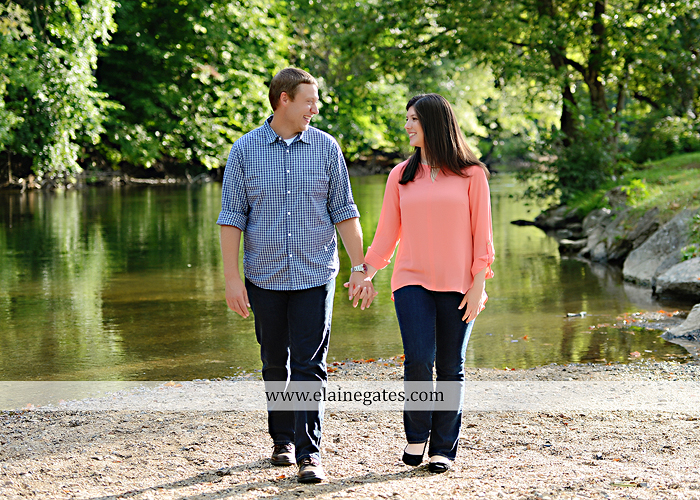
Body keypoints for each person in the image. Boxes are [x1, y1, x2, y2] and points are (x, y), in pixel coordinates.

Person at [217, 67, 375, 483]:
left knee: (310, 364)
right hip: (264, 276)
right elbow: (231, 217)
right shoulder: (244, 150)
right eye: (309, 101)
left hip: (315, 275)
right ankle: (282, 440)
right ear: (283, 99)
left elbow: (345, 212)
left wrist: (361, 268)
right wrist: (232, 279)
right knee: (274, 362)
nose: (314, 109)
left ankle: (309, 453)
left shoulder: (326, 148)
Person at [362, 93, 494, 473]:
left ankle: (443, 449)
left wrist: (478, 284)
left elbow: (482, 235)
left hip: (459, 284)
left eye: (414, 119)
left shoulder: (472, 174)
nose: (407, 126)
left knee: (451, 366)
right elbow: (386, 234)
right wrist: (366, 271)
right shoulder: (400, 175)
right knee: (419, 359)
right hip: (411, 280)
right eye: (407, 119)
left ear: (434, 123)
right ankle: (417, 436)